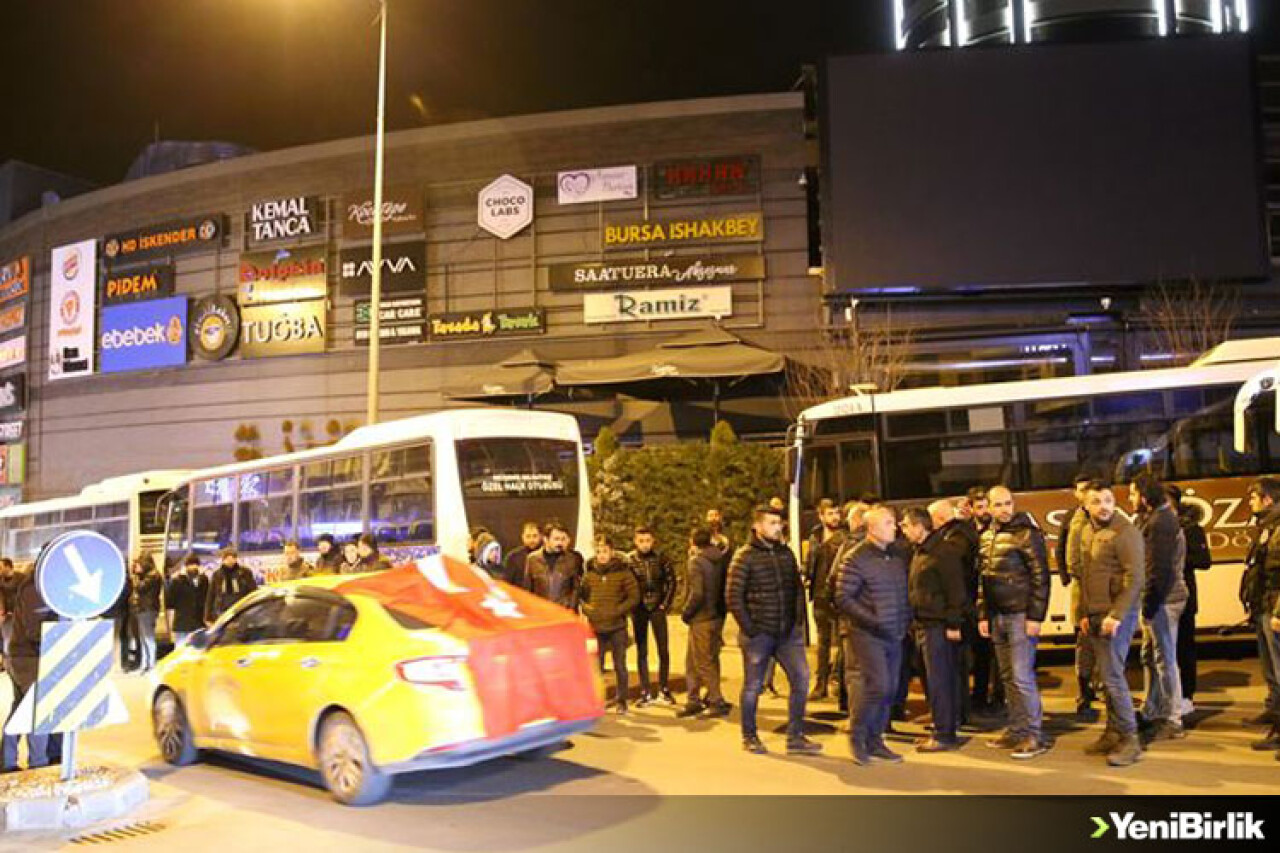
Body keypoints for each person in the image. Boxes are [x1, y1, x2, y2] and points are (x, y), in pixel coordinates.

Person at [726, 505, 822, 757]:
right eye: (771, 523)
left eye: (779, 523)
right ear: (757, 526)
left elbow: (797, 589)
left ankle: (796, 736)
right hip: (759, 634)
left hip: (787, 633)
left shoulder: (786, 554)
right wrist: (751, 628)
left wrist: (798, 620)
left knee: (801, 679)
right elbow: (733, 597)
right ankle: (749, 736)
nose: (777, 527)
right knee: (753, 686)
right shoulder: (744, 556)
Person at [977, 485, 1051, 760]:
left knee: (1021, 677)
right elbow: (983, 579)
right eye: (998, 505)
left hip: (1020, 615)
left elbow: (1040, 577)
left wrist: (1036, 616)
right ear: (989, 507)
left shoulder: (1027, 534)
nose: (1004, 509)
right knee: (1007, 677)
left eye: (1008, 503)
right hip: (997, 616)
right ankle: (1017, 729)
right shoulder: (986, 536)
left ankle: (1034, 734)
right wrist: (983, 613)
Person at [834, 506, 912, 764]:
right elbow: (843, 597)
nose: (895, 527)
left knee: (890, 689)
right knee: (877, 686)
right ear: (872, 529)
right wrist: (873, 620)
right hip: (868, 634)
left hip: (895, 633)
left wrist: (904, 620)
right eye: (889, 523)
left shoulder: (896, 556)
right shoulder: (855, 558)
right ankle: (858, 736)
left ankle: (876, 740)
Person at [1075, 482, 1145, 766]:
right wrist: (1082, 611)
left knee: (1113, 678)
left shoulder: (1125, 531)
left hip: (1115, 615)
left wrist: (1116, 615)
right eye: (1096, 501)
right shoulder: (1087, 531)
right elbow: (1084, 575)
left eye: (1108, 500)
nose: (1103, 506)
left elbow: (1134, 578)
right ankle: (1113, 732)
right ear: (1086, 505)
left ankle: (1130, 738)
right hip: (1094, 614)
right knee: (1104, 677)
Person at [902, 505, 968, 752]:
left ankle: (944, 734)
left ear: (920, 526)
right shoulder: (921, 551)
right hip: (923, 624)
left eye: (906, 526)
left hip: (938, 626)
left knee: (941, 680)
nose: (904, 531)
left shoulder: (942, 552)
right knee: (933, 680)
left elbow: (955, 590)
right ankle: (942, 725)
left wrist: (953, 623)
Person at [1130, 474, 1189, 742]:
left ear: (1143, 497)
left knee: (1165, 660)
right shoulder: (1155, 518)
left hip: (1164, 600)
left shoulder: (1161, 522)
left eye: (1132, 494)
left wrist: (1149, 606)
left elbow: (1159, 570)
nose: (1129, 499)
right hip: (1159, 599)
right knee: (1151, 657)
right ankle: (1151, 709)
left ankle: (1173, 717)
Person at [2, 565, 62, 772]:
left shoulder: (39, 584)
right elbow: (35, 630)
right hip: (28, 659)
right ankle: (38, 763)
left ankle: (7, 761)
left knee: (21, 710)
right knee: (39, 712)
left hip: (24, 657)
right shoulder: (34, 588)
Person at [580, 535, 639, 715]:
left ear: (612, 552)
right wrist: (588, 610)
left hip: (616, 627)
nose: (602, 555)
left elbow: (634, 597)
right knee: (596, 666)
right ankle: (598, 700)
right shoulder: (589, 574)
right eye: (598, 552)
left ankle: (622, 700)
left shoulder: (623, 573)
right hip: (596, 627)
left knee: (619, 665)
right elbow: (582, 596)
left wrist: (618, 610)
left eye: (605, 551)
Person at [1241, 476, 1280, 749]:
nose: (1250, 502)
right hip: (1263, 606)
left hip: (1274, 606)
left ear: (1267, 499)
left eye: (1253, 497)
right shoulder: (1266, 526)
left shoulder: (1277, 527)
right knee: (1270, 668)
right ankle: (1274, 712)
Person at [1167, 483, 1211, 716]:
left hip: (1184, 597)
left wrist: (1175, 560)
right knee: (1165, 651)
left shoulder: (1190, 528)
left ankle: (1187, 696)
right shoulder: (1152, 525)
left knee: (1185, 647)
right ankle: (1169, 696)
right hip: (1161, 599)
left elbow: (1204, 560)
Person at [1061, 472, 1101, 722]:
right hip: (1086, 593)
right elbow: (1072, 559)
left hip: (1102, 592)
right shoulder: (1076, 521)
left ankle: (1098, 689)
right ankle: (1085, 694)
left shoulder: (1103, 520)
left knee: (1102, 644)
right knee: (1086, 644)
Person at [679, 526, 730, 719]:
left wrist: (686, 612)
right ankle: (693, 699)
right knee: (696, 659)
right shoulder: (719, 559)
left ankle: (716, 700)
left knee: (702, 661)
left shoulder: (696, 563)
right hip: (717, 615)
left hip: (701, 617)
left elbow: (697, 593)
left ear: (692, 542)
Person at [629, 526, 676, 706]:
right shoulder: (630, 561)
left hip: (658, 607)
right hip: (639, 608)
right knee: (642, 651)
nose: (645, 545)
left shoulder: (661, 558)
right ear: (635, 541)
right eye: (641, 541)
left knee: (663, 649)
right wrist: (632, 604)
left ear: (653, 540)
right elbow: (626, 584)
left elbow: (671, 582)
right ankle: (645, 690)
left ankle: (664, 688)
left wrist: (665, 604)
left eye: (648, 540)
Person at [804, 499, 846, 701]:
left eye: (837, 513)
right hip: (819, 594)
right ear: (821, 516)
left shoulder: (844, 536)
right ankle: (821, 683)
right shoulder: (815, 535)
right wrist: (805, 574)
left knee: (842, 643)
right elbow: (810, 561)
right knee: (822, 642)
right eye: (830, 513)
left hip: (837, 596)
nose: (835, 517)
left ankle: (836, 678)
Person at [526, 521, 584, 611]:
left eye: (562, 539)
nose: (560, 543)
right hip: (540, 612)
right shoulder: (532, 559)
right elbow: (528, 589)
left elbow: (576, 588)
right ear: (546, 539)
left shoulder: (571, 559)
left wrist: (571, 607)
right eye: (556, 539)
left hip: (563, 612)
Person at [205, 547, 258, 625]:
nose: (230, 560)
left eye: (233, 557)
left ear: (236, 559)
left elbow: (253, 592)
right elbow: (211, 595)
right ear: (223, 560)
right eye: (227, 558)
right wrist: (208, 616)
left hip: (241, 610)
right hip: (221, 612)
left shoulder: (245, 573)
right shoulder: (217, 575)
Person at [130, 553, 163, 673]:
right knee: (144, 638)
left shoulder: (152, 576)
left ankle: (151, 664)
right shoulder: (151, 575)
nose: (137, 567)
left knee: (148, 638)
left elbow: (140, 588)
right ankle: (145, 664)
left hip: (147, 609)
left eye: (139, 564)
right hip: (145, 609)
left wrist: (136, 576)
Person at [167, 554, 209, 647]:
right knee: (181, 649)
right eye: (191, 564)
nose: (193, 567)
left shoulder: (204, 579)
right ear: (186, 566)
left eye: (195, 564)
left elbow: (207, 598)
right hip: (183, 622)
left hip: (198, 622)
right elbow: (170, 601)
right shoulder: (177, 580)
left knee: (197, 650)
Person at [502, 521, 543, 589]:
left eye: (535, 536)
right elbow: (507, 583)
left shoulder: (547, 556)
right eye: (528, 536)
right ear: (523, 537)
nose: (531, 540)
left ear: (541, 536)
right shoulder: (513, 557)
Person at [0, 558, 20, 657]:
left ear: (8, 567)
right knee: (6, 639)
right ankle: (7, 662)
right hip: (7, 616)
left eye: (0, 567)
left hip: (20, 615)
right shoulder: (1, 581)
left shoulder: (21, 579)